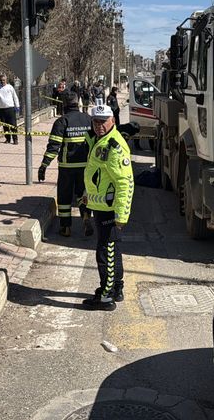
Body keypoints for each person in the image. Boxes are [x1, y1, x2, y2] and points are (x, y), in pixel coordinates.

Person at [81, 104, 134, 310]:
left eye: (103, 121)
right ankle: (115, 288)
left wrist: (121, 215)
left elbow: (125, 183)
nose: (99, 126)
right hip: (102, 205)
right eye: (95, 122)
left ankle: (106, 296)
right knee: (112, 250)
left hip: (110, 209)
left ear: (112, 120)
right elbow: (99, 176)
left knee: (106, 252)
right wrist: (88, 195)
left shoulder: (114, 145)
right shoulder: (101, 140)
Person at [38, 92, 93, 237]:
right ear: (78, 103)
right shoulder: (88, 119)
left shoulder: (62, 121)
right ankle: (86, 216)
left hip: (66, 168)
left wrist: (44, 165)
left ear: (64, 105)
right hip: (85, 167)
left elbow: (53, 146)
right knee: (83, 194)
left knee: (64, 197)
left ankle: (65, 228)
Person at [0, 74, 20, 144]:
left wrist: (17, 106)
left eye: (4, 80)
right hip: (1, 109)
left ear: (6, 80)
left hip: (10, 108)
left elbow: (15, 96)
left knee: (13, 124)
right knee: (5, 125)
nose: (2, 82)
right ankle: (8, 139)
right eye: (1, 81)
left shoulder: (10, 87)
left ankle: (15, 139)